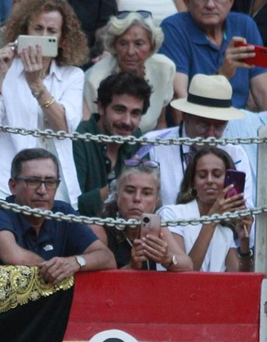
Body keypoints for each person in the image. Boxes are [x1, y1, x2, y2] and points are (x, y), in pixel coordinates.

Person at [0, 0, 88, 199]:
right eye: (37, 28)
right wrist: (0, 75)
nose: (43, 37)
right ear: (24, 31)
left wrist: (36, 84)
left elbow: (64, 127)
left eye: (51, 31)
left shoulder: (74, 75)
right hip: (2, 178)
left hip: (54, 184)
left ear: (62, 40)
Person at [0, 145, 116, 277]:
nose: (42, 191)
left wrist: (76, 262)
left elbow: (107, 257)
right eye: (33, 181)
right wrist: (57, 269)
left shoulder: (62, 212)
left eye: (50, 182)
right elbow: (15, 257)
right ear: (13, 186)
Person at [162, 0, 267, 110]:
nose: (210, 4)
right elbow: (180, 103)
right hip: (198, 125)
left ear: (231, 0)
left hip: (239, 122)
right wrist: (223, 74)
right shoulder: (174, 28)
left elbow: (264, 92)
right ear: (187, 2)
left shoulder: (244, 25)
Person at [135, 72, 253, 202]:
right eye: (203, 125)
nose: (210, 134)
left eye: (219, 127)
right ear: (185, 116)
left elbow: (247, 208)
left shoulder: (237, 154)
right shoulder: (153, 145)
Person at [163, 144, 253, 272]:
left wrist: (244, 244)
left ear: (228, 182)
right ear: (193, 182)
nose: (210, 180)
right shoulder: (171, 215)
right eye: (202, 175)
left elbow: (241, 282)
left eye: (217, 175)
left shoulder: (225, 231)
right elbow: (185, 275)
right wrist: (211, 220)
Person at [81, 12, 174, 135]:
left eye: (138, 44)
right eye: (123, 43)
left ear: (151, 46)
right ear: (114, 46)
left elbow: (161, 124)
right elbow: (93, 130)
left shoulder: (164, 69)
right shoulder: (95, 79)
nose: (130, 52)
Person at [72, 69, 148, 215]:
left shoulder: (136, 137)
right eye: (120, 110)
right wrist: (118, 186)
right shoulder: (80, 139)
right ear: (101, 107)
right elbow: (75, 205)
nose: (127, 121)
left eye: (135, 113)